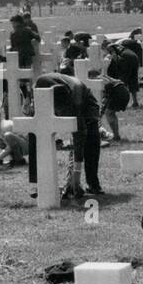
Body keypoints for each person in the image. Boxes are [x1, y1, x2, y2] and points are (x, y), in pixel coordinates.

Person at [27, 72, 103, 202]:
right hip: (55, 98)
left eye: (62, 111)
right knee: (36, 133)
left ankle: (92, 184)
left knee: (91, 139)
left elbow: (79, 134)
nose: (61, 114)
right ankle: (38, 184)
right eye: (59, 110)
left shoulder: (76, 94)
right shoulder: (40, 90)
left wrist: (76, 174)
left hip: (86, 105)